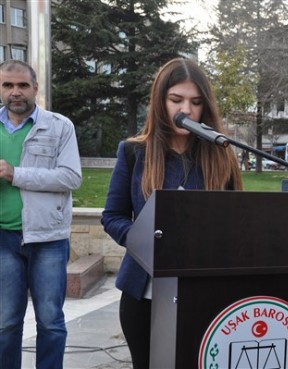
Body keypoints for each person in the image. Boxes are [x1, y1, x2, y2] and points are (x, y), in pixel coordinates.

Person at [101, 58, 243, 368]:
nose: (187, 111)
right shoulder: (133, 151)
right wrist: (148, 240)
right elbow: (112, 216)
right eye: (176, 100)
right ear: (160, 100)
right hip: (144, 293)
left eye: (196, 102)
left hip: (204, 292)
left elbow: (237, 221)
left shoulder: (222, 155)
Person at [0, 60, 82, 368]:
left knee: (50, 321)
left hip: (47, 238)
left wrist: (16, 174)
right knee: (6, 323)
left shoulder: (59, 126)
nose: (15, 92)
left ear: (35, 88)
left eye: (22, 85)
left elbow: (71, 178)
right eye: (8, 85)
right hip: (3, 238)